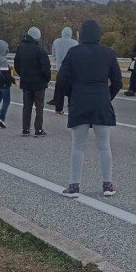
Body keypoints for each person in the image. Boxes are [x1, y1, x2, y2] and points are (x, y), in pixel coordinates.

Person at [55, 19, 123, 198]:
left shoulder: (73, 52)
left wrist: (70, 96)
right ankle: (107, 185)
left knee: (77, 145)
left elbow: (62, 80)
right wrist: (107, 96)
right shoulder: (108, 53)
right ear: (99, 34)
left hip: (79, 100)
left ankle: (74, 186)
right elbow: (117, 81)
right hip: (101, 100)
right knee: (104, 146)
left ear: (81, 34)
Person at [14, 27, 51, 136]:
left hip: (26, 82)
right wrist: (46, 79)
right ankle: (38, 129)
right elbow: (45, 68)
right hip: (39, 83)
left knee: (27, 106)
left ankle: (25, 129)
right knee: (39, 107)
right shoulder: (39, 50)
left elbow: (17, 64)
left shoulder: (21, 47)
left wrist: (23, 75)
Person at [47, 27, 77, 112]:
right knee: (72, 88)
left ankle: (58, 109)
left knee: (59, 89)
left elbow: (53, 54)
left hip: (60, 68)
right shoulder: (75, 42)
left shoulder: (56, 41)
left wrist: (58, 59)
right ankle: (71, 106)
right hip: (72, 69)